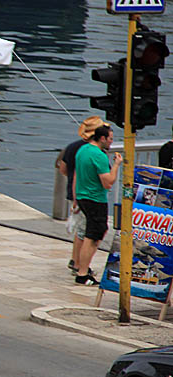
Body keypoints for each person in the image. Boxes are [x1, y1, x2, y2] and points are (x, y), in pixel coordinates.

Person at [73, 124, 122, 285]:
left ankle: (81, 267)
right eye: (110, 139)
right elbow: (108, 182)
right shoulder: (99, 156)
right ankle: (82, 272)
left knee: (90, 232)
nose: (111, 143)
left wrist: (75, 198)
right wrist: (116, 165)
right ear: (102, 138)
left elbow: (76, 175)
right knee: (93, 236)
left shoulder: (82, 150)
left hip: (82, 196)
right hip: (95, 199)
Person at [58, 116, 106, 275]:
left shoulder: (72, 147)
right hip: (88, 195)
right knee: (87, 232)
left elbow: (63, 169)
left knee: (80, 229)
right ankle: (81, 267)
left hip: (75, 193)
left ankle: (75, 260)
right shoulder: (95, 152)